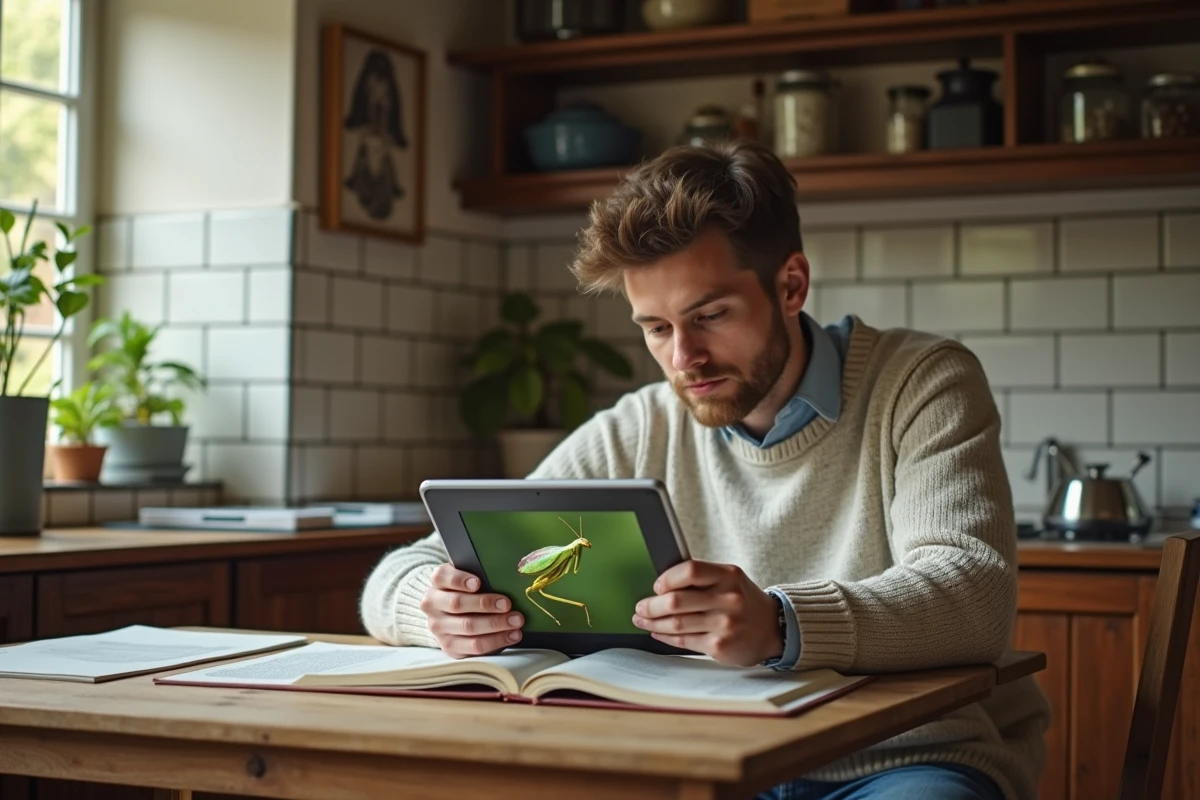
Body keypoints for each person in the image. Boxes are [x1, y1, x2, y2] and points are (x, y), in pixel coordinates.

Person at [360, 139, 1049, 800]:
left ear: (791, 284)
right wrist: (437, 609)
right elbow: (398, 574)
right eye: (656, 328)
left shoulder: (921, 383)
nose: (683, 357)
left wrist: (780, 626)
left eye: (710, 315)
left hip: (905, 760)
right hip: (706, 763)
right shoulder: (643, 423)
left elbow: (973, 593)